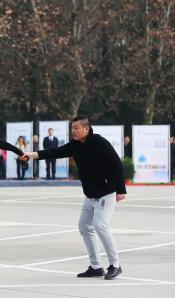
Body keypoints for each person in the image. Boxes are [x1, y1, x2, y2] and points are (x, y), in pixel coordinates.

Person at [22, 116, 126, 280]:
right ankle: (96, 267)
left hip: (107, 191)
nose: (73, 131)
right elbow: (55, 151)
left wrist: (121, 189)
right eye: (72, 128)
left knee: (100, 225)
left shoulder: (99, 142)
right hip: (90, 194)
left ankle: (115, 265)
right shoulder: (75, 145)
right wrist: (32, 155)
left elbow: (117, 164)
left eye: (76, 128)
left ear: (86, 129)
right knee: (84, 226)